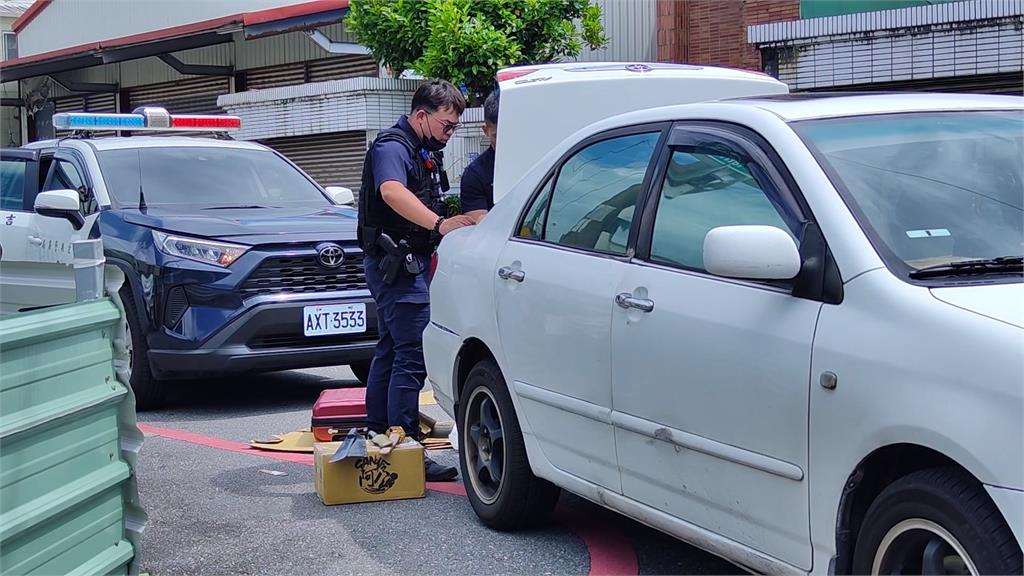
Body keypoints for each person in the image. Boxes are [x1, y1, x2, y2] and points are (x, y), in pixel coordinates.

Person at [357, 79, 474, 482]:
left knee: (391, 348)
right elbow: (391, 192)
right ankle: (404, 445)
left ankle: (380, 433)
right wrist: (440, 225)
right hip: (397, 265)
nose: (450, 133)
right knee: (412, 352)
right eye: (447, 125)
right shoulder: (393, 147)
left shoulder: (422, 149)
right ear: (421, 115)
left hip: (408, 263)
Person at [459, 90, 499, 223]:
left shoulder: (541, 161)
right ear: (486, 131)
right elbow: (479, 222)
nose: (505, 142)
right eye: (497, 136)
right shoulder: (475, 173)